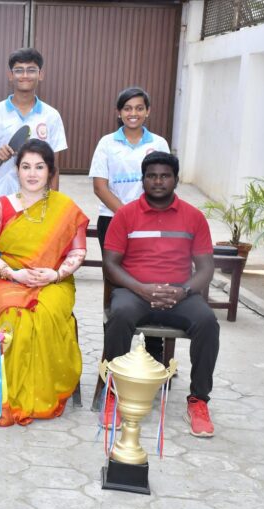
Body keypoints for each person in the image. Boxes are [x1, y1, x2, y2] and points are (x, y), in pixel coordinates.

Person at [102, 151, 219, 438]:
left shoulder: (193, 217)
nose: (158, 181)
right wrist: (141, 288)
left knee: (207, 322)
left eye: (165, 176)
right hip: (135, 292)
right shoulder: (126, 215)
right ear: (142, 180)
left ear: (176, 180)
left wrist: (183, 291)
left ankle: (199, 401)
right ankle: (113, 394)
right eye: (151, 176)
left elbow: (206, 267)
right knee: (120, 314)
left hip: (180, 295)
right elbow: (111, 264)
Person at [0, 139, 88, 426]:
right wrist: (13, 274)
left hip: (54, 281)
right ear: (17, 170)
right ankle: (7, 398)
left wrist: (56, 274)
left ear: (51, 172)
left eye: (39, 167)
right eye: (26, 167)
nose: (32, 173)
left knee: (45, 314)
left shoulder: (65, 208)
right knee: (15, 318)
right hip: (7, 279)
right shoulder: (1, 206)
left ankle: (40, 396)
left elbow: (77, 252)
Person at [89, 87, 170, 361]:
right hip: (113, 221)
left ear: (148, 111)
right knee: (116, 281)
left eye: (139, 108)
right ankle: (114, 351)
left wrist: (144, 216)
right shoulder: (107, 143)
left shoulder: (158, 143)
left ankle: (154, 351)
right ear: (119, 112)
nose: (133, 113)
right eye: (127, 108)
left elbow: (165, 183)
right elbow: (100, 187)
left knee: (154, 277)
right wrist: (129, 215)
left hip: (153, 222)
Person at [0, 48, 67, 212]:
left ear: (40, 74)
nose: (25, 75)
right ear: (10, 75)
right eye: (18, 70)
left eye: (31, 70)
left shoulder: (52, 116)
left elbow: (54, 168)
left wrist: (51, 207)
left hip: (36, 206)